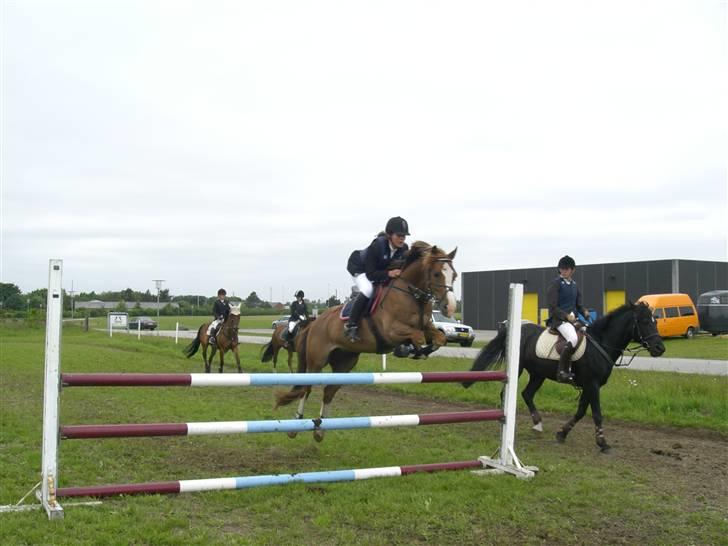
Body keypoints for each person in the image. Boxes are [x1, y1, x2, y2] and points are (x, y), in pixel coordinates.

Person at [344, 216, 410, 342]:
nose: (402, 238)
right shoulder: (377, 247)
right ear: (390, 235)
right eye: (399, 235)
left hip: (378, 270)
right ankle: (351, 325)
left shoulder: (404, 248)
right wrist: (389, 274)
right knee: (368, 289)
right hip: (359, 268)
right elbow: (371, 275)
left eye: (404, 236)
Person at [547, 256, 591, 383]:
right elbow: (553, 306)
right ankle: (562, 371)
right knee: (573, 338)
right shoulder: (556, 284)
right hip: (559, 320)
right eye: (561, 269)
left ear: (572, 270)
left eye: (566, 269)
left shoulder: (574, 285)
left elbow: (579, 305)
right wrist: (566, 316)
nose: (563, 271)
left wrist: (585, 312)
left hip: (573, 320)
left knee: (589, 334)